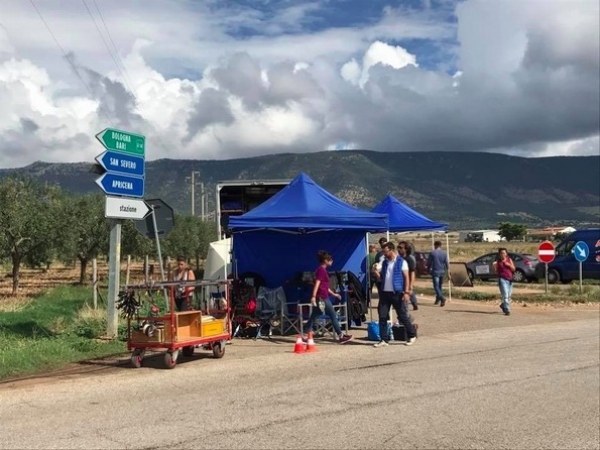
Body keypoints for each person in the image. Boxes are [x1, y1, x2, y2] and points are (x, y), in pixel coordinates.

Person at [372, 242, 417, 347]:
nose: (384, 254)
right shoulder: (384, 262)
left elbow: (406, 277)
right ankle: (384, 339)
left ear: (391, 250)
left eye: (385, 251)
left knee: (402, 316)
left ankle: (411, 335)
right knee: (382, 316)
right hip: (385, 293)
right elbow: (380, 277)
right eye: (383, 252)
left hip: (397, 293)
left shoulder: (402, 262)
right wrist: (375, 271)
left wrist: (406, 292)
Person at [303, 251, 353, 344]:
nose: (332, 261)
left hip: (322, 296)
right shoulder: (321, 270)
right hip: (322, 297)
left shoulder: (320, 270)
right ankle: (340, 335)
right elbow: (317, 283)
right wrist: (313, 296)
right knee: (333, 315)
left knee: (315, 315)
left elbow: (324, 286)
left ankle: (306, 333)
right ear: (326, 260)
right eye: (330, 260)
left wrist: (334, 294)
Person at [492, 248, 515, 316]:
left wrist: (509, 265)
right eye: (501, 253)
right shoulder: (498, 262)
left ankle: (503, 305)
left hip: (510, 280)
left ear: (506, 254)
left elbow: (513, 269)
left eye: (504, 253)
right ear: (499, 254)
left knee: (509, 296)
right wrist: (494, 267)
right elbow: (495, 271)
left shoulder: (509, 260)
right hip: (502, 280)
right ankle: (507, 310)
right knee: (505, 295)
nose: (503, 254)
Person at [427, 240, 449, 306]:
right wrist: (448, 271)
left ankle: (442, 298)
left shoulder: (432, 253)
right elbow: (447, 263)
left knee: (436, 286)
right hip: (442, 271)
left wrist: (428, 269)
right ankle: (438, 299)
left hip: (435, 271)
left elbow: (429, 263)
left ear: (435, 245)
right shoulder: (444, 253)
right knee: (440, 286)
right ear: (440, 245)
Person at [398, 241, 418, 310]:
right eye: (398, 247)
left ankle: (414, 304)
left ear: (406, 249)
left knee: (409, 295)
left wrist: (411, 285)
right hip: (399, 283)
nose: (398, 249)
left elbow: (412, 273)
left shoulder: (409, 259)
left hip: (407, 282)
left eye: (400, 248)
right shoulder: (397, 259)